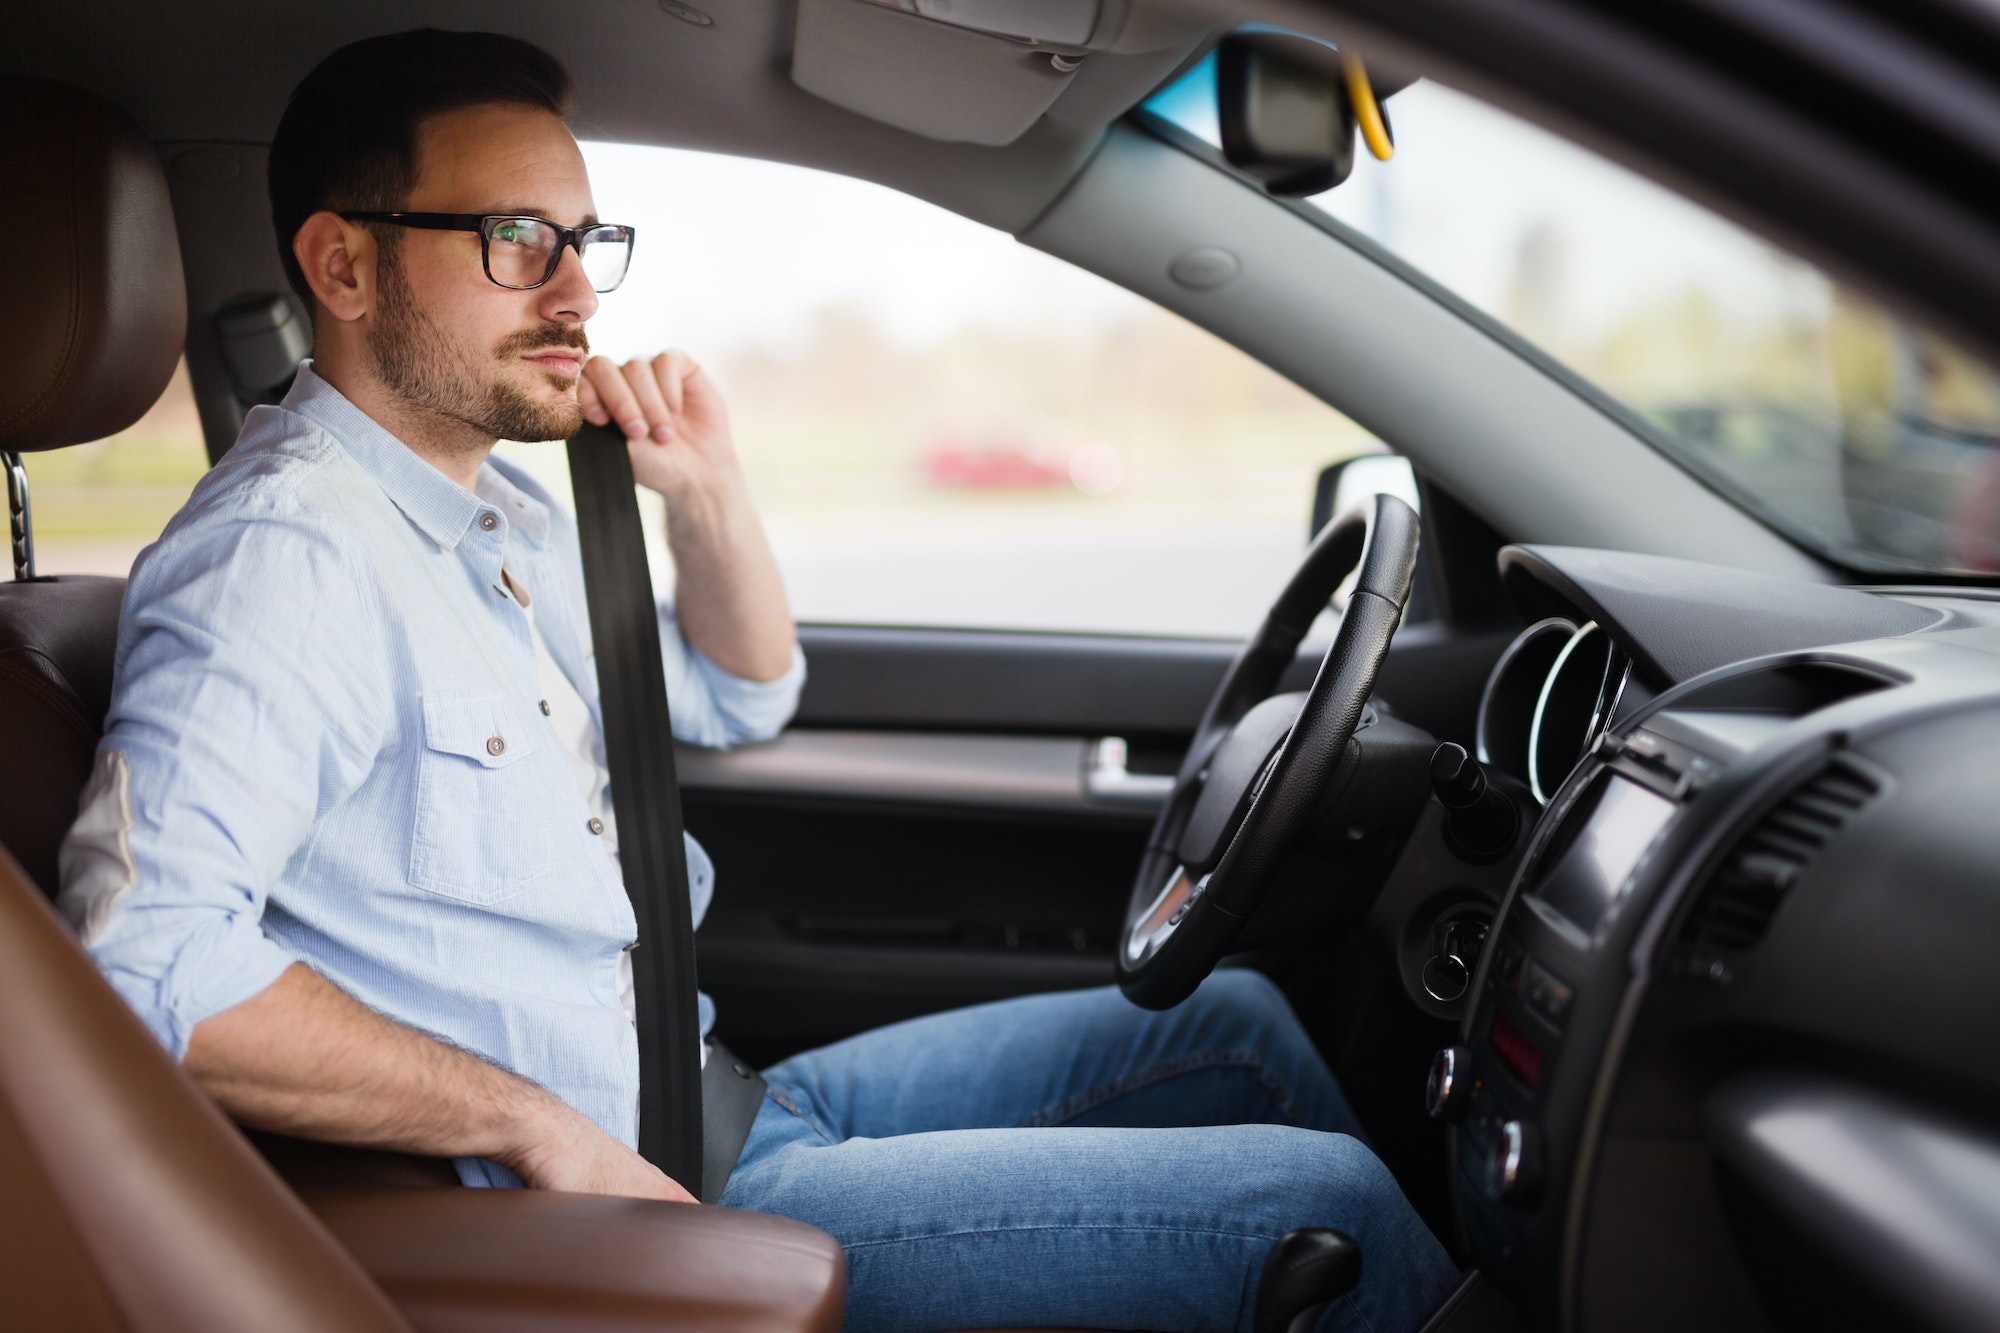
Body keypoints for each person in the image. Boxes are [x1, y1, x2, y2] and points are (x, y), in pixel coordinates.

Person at [57, 28, 1458, 1332]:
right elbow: (146, 965)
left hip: (720, 1099)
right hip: (632, 1203)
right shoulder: (282, 560)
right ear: (344, 268)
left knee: (1238, 1024)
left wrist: (707, 489)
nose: (575, 291)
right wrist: (528, 1122)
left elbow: (739, 696)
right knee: (1319, 1206)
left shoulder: (481, 517)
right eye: (514, 240)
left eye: (586, 240)